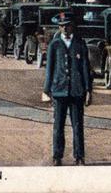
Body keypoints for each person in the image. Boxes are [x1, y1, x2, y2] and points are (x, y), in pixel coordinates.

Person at [43, 13, 92, 166]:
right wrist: (46, 90)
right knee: (58, 125)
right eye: (62, 26)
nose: (65, 28)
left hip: (77, 91)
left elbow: (85, 68)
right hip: (59, 90)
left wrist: (88, 90)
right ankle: (57, 156)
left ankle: (79, 156)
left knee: (78, 125)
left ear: (72, 27)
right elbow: (49, 69)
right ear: (59, 27)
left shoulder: (80, 44)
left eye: (67, 25)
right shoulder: (54, 44)